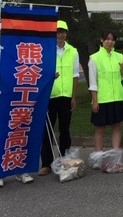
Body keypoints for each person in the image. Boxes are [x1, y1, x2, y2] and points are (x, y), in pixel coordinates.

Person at [0, 49, 34, 188]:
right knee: (2, 137)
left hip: (23, 100)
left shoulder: (28, 53)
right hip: (4, 101)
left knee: (21, 135)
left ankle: (21, 170)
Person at [39, 20, 80, 175]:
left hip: (66, 96)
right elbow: (40, 74)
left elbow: (76, 75)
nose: (60, 34)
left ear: (66, 33)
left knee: (65, 130)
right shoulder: (46, 50)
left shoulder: (73, 51)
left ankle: (64, 160)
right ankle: (46, 164)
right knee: (47, 131)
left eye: (62, 31)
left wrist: (74, 97)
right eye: (57, 32)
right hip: (50, 96)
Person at [89, 29, 123, 152]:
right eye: (107, 39)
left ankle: (116, 154)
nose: (110, 42)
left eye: (112, 39)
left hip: (117, 97)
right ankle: (98, 155)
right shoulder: (94, 58)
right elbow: (92, 82)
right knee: (100, 128)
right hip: (102, 99)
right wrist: (95, 101)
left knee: (117, 126)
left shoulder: (119, 56)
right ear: (101, 40)